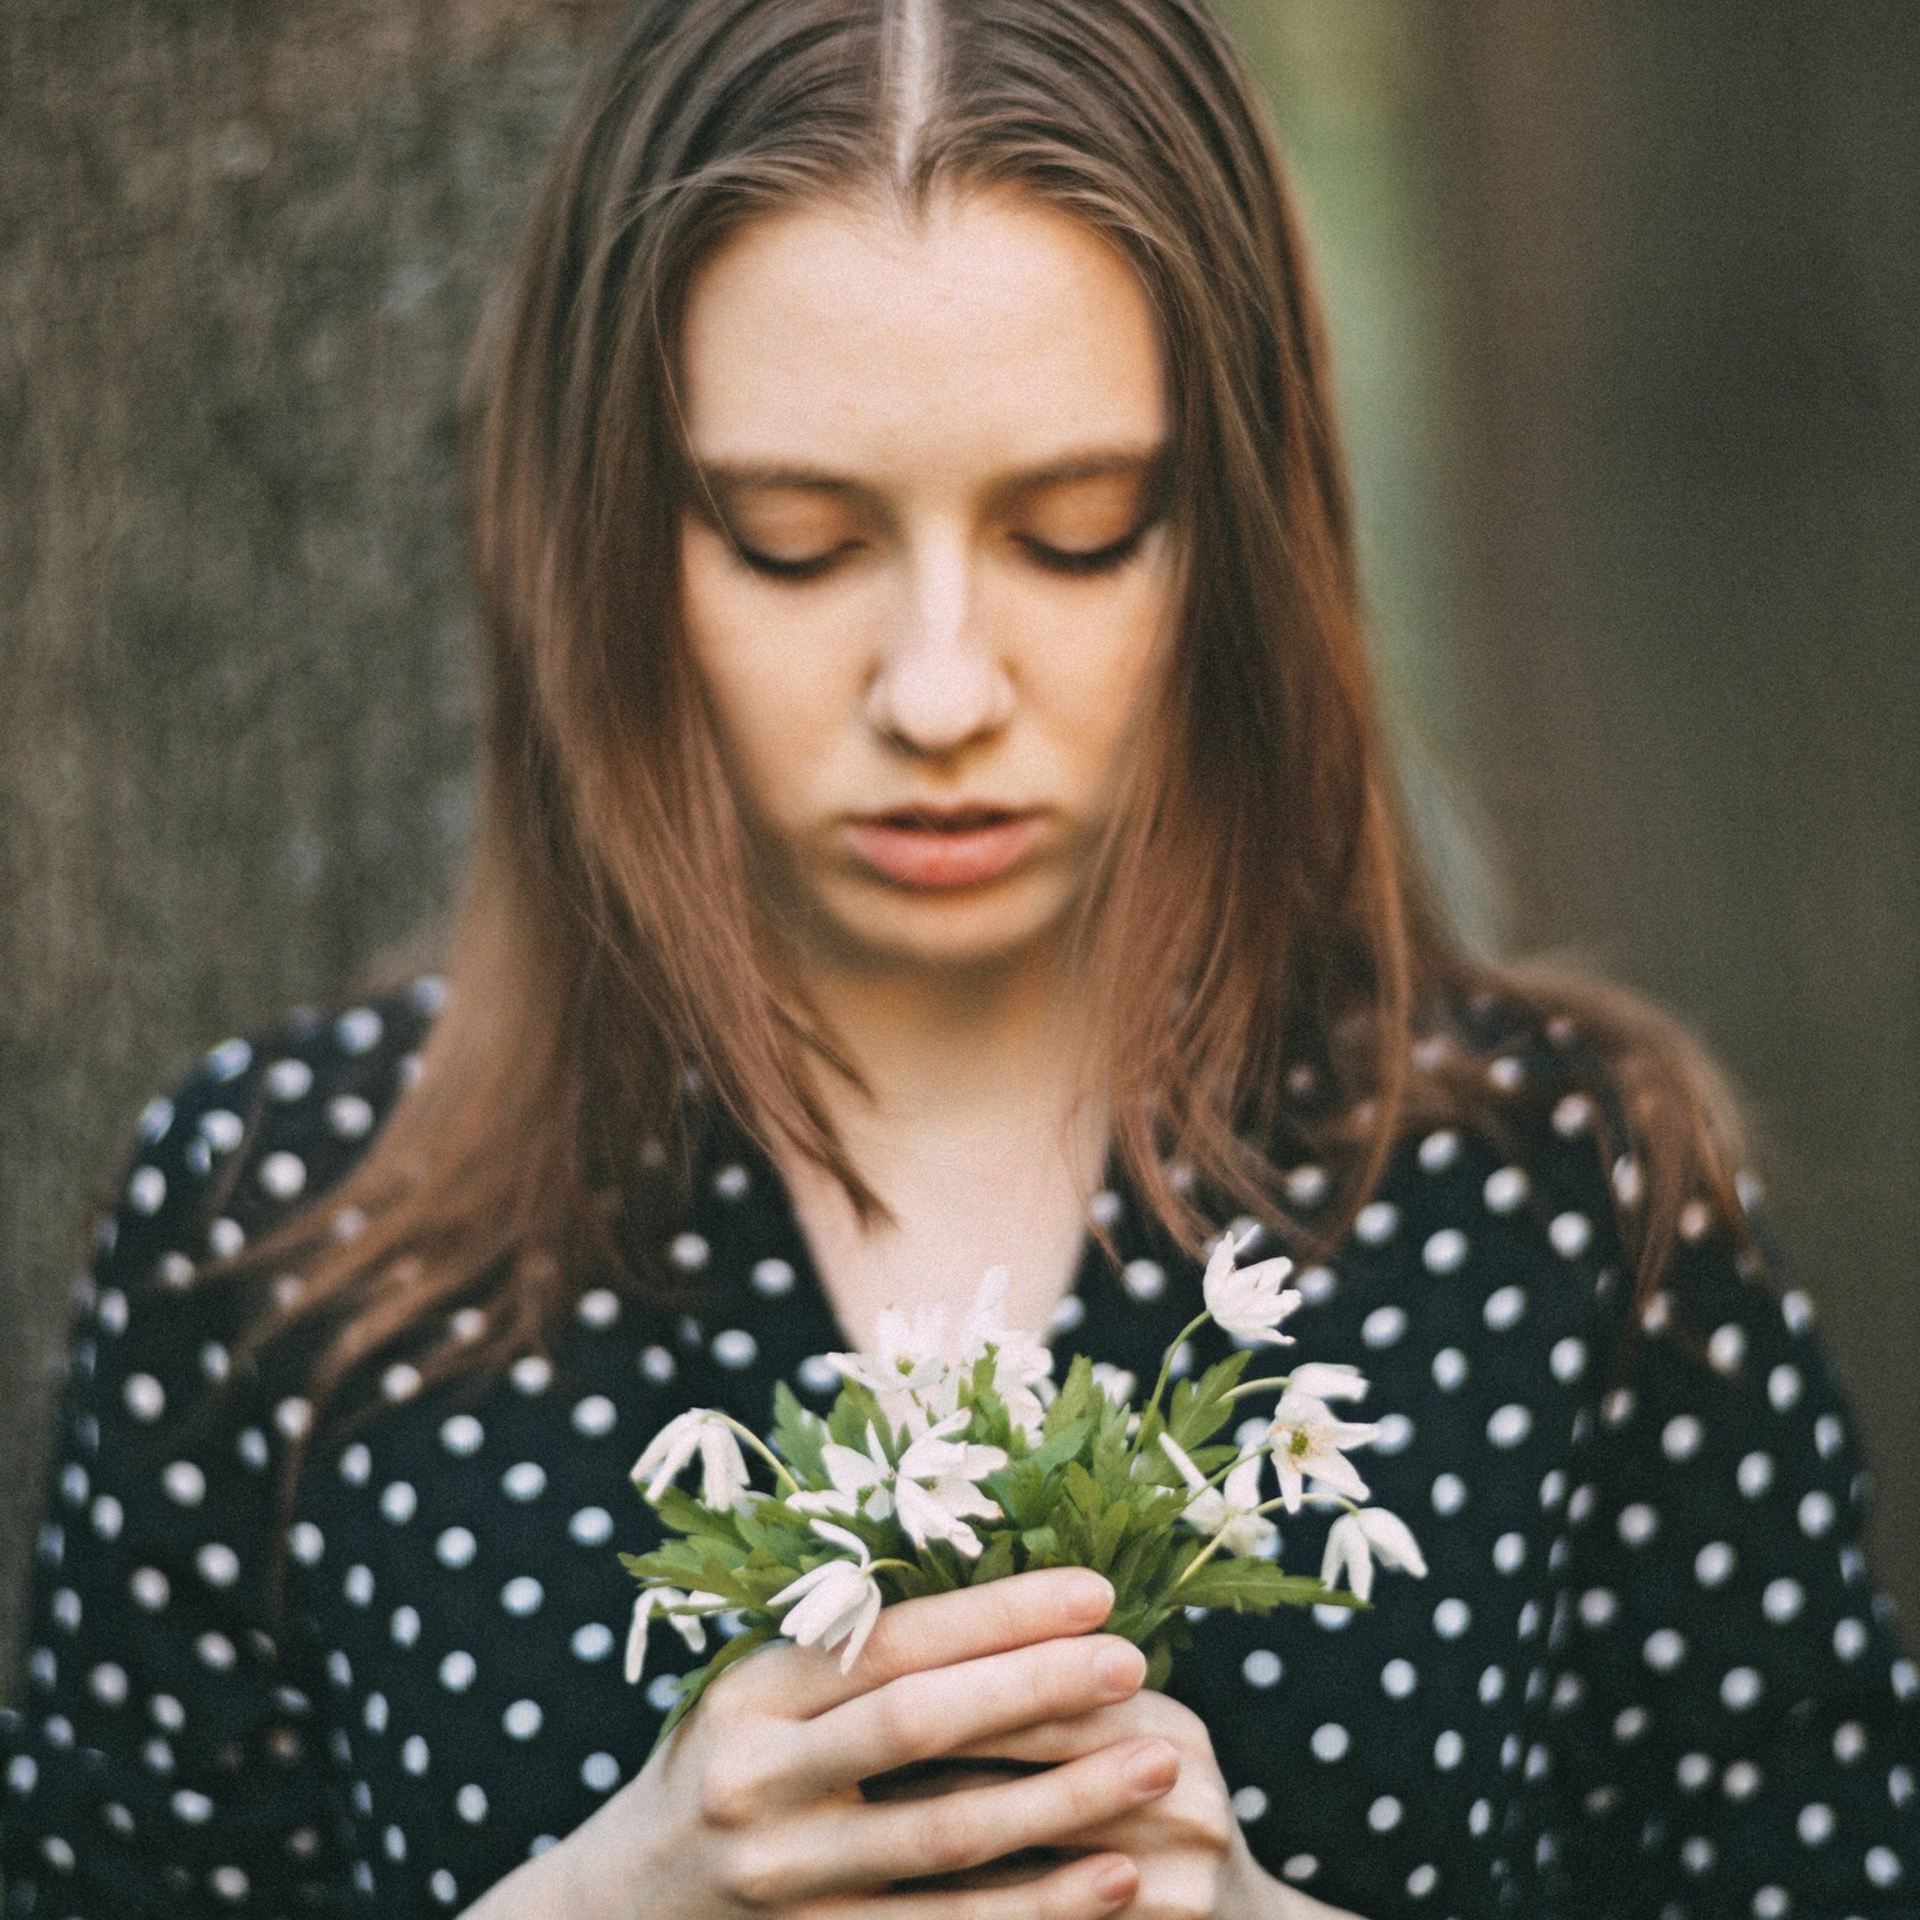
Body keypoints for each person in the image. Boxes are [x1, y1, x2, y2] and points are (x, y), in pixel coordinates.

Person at [4, 0, 1917, 1914]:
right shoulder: (286, 1230)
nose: (939, 691)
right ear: (606, 535)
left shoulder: (1568, 1192)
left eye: (1081, 532)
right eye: (792, 538)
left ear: (1238, 533)